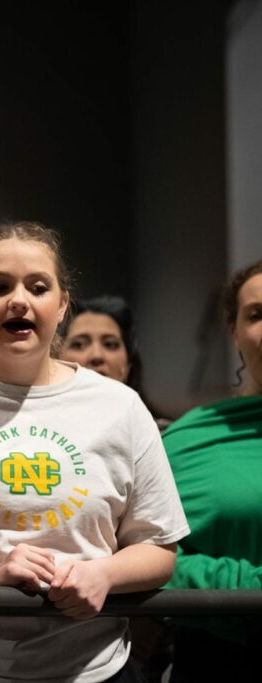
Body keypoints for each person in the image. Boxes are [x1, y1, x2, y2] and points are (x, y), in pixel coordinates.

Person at [0, 221, 189, 683]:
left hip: (95, 670)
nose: (19, 299)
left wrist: (105, 575)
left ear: (62, 304)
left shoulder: (120, 406)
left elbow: (159, 547)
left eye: (38, 286)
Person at [164, 259, 261, 682]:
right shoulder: (186, 440)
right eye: (257, 315)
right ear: (234, 332)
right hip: (214, 657)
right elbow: (143, 550)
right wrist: (246, 586)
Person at [59, 295, 169, 426]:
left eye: (110, 344)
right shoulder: (35, 432)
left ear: (129, 364)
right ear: (55, 361)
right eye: (79, 344)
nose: (97, 355)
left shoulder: (164, 438)